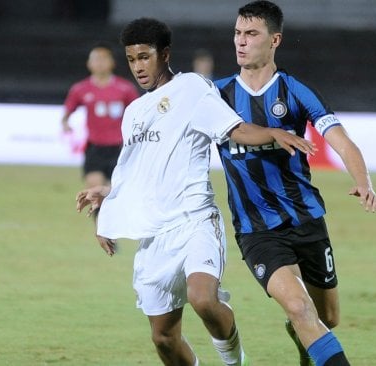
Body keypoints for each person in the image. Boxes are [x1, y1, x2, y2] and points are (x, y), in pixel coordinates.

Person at [76, 17, 316, 366]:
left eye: (145, 57)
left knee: (203, 298)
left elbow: (233, 128)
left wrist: (271, 133)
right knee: (163, 337)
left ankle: (235, 362)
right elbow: (139, 172)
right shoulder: (134, 113)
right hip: (155, 235)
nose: (138, 67)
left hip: (194, 221)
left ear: (165, 54)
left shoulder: (192, 89)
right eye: (131, 59)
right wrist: (109, 199)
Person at [214, 1, 376, 365]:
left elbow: (341, 140)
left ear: (275, 40)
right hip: (256, 229)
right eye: (238, 33)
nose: (240, 42)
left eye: (251, 34)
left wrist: (363, 180)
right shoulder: (217, 96)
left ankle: (305, 339)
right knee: (298, 306)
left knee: (327, 318)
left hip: (306, 220)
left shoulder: (295, 92)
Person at [61, 43, 139, 188]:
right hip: (94, 147)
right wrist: (65, 122)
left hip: (119, 147)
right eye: (96, 59)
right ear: (89, 63)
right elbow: (68, 111)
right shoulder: (80, 89)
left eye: (104, 59)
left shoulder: (125, 88)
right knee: (94, 188)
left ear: (112, 63)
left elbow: (139, 112)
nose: (100, 63)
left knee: (114, 191)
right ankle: (99, 210)